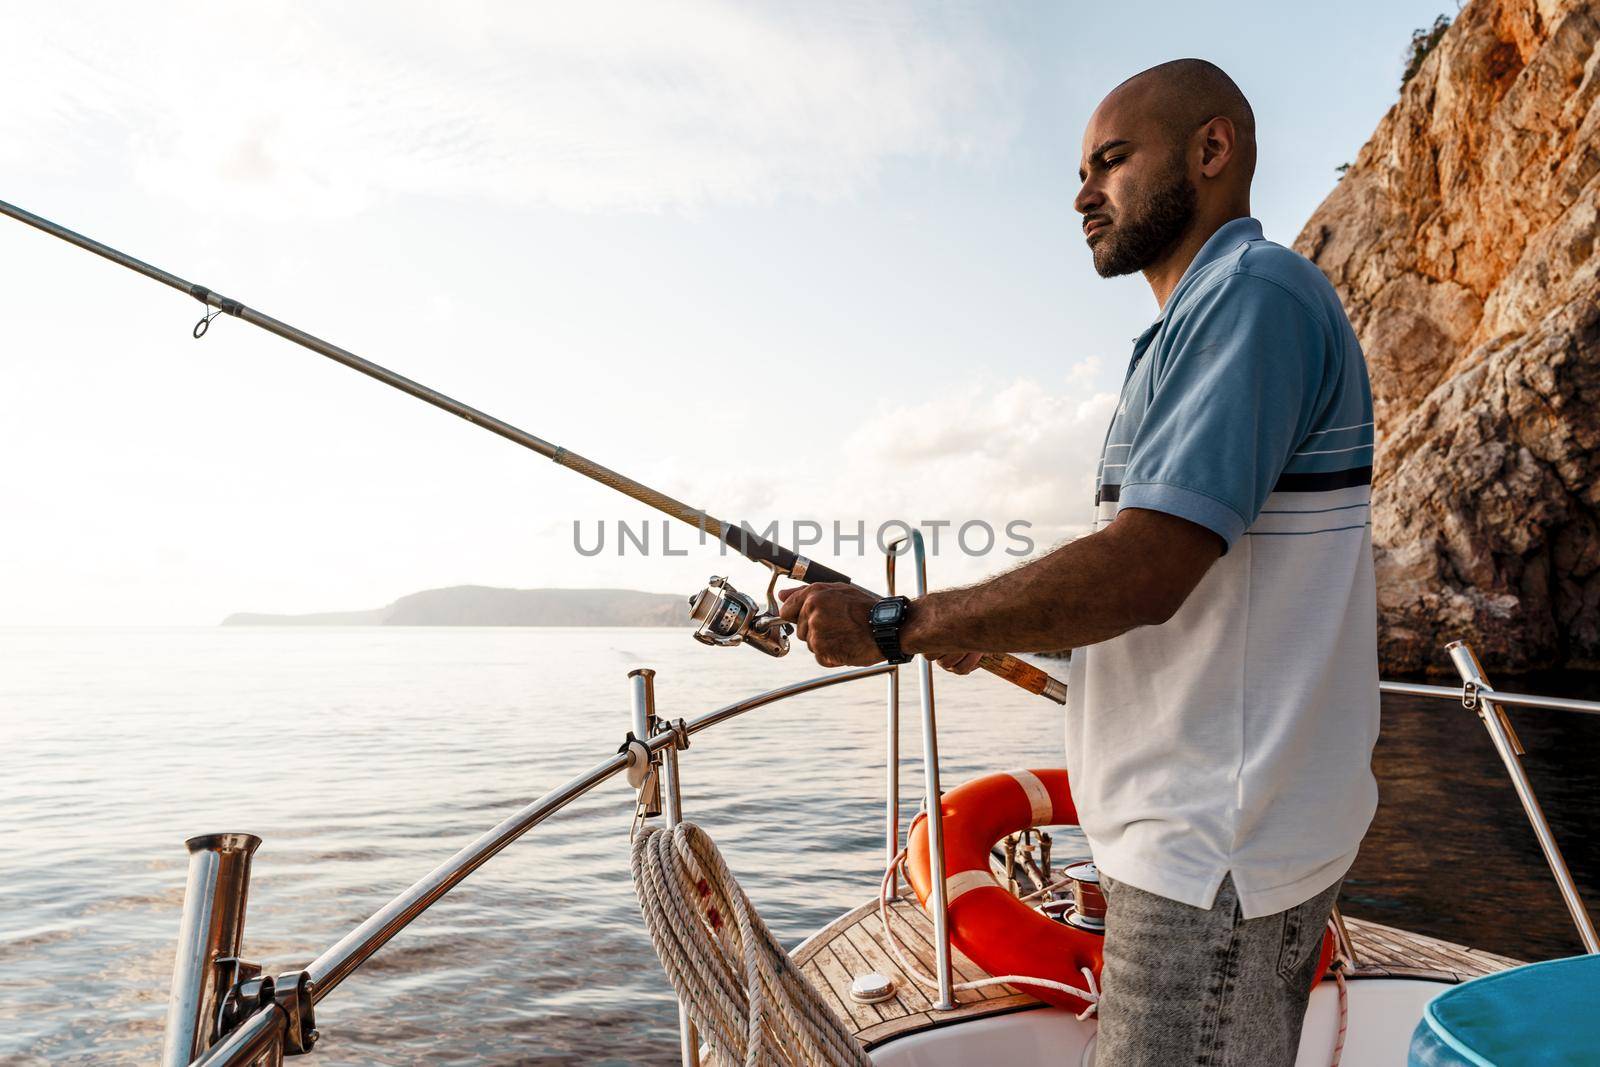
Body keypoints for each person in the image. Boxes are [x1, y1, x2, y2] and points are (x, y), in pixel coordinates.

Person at [777, 58, 1380, 1066]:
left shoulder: (1250, 294)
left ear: (1211, 150)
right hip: (1209, 837)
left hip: (1212, 847)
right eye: (1080, 169)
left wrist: (899, 623)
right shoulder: (1193, 325)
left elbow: (1147, 567)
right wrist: (982, 625)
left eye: (1110, 160)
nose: (1080, 193)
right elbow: (1197, 599)